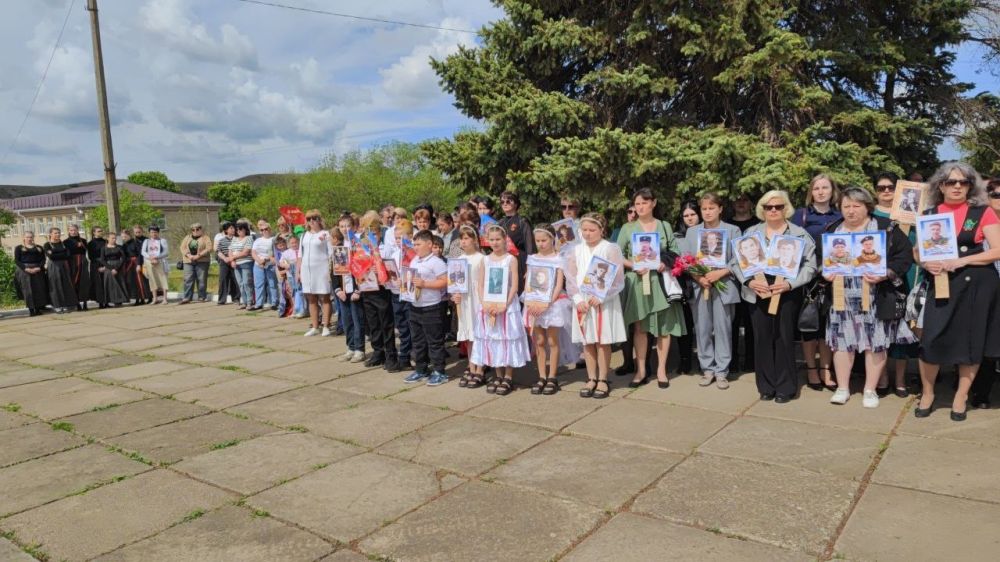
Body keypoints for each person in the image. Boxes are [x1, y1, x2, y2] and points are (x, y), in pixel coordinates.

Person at [914, 162, 1000, 422]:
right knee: (931, 339)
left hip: (977, 283)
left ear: (970, 186)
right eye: (951, 182)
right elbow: (918, 250)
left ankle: (961, 397)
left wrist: (961, 261)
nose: (957, 187)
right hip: (941, 281)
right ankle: (927, 393)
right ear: (940, 186)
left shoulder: (981, 212)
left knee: (971, 342)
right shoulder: (929, 213)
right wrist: (923, 261)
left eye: (963, 182)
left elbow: (997, 250)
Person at [822, 187, 915, 408]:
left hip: (876, 295)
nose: (851, 211)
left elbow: (905, 256)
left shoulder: (886, 229)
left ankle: (870, 390)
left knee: (876, 343)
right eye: (846, 206)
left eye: (856, 206)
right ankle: (842, 388)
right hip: (841, 297)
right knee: (842, 342)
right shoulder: (833, 229)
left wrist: (886, 273)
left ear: (867, 207)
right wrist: (824, 271)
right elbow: (822, 258)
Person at [730, 190, 817, 403]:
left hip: (786, 293)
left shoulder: (799, 233)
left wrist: (790, 284)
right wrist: (749, 282)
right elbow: (735, 262)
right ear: (762, 209)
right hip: (757, 291)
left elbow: (811, 266)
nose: (774, 211)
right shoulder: (751, 232)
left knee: (784, 338)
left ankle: (786, 387)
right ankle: (766, 386)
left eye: (778, 206)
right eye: (769, 207)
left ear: (786, 208)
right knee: (762, 339)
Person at [617, 188, 685, 389]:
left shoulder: (664, 226)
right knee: (640, 328)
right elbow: (617, 255)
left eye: (644, 203)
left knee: (664, 327)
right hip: (638, 283)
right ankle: (641, 370)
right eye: (637, 204)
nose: (640, 207)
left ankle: (661, 370)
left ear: (653, 203)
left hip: (660, 282)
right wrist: (633, 265)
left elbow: (675, 251)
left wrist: (665, 262)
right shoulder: (627, 228)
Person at [683, 193, 742, 389]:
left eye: (711, 208)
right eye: (704, 209)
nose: (707, 212)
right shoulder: (693, 232)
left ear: (720, 209)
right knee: (702, 329)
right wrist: (698, 277)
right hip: (701, 286)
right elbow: (686, 259)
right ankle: (707, 368)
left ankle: (722, 371)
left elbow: (739, 259)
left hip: (724, 286)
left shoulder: (732, 231)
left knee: (723, 328)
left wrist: (720, 273)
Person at [791, 174, 842, 390]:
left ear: (832, 191)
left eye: (825, 187)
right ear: (811, 192)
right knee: (809, 325)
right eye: (816, 188)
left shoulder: (841, 216)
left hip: (835, 278)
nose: (820, 191)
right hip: (808, 279)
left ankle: (826, 369)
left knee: (829, 327)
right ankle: (812, 369)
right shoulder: (800, 216)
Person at [568, 213, 627, 399]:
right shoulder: (576, 250)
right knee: (588, 341)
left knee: (602, 341)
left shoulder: (610, 249)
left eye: (592, 230)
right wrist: (577, 299)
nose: (587, 233)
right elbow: (571, 278)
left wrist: (602, 296)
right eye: (584, 230)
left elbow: (618, 280)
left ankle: (603, 378)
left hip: (602, 301)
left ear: (602, 230)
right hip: (583, 302)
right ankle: (591, 377)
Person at [873, 172, 918, 397]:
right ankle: (882, 376)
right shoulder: (870, 216)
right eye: (881, 188)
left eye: (891, 187)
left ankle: (900, 378)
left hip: (905, 275)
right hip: (876, 280)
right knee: (878, 328)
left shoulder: (912, 214)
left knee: (902, 327)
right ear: (875, 191)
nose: (887, 191)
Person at [474, 224, 530, 395]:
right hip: (489, 305)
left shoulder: (510, 259)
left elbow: (514, 284)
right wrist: (484, 303)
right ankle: (498, 374)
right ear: (487, 241)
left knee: (507, 338)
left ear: (504, 239)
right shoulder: (485, 259)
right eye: (492, 239)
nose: (495, 242)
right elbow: (481, 283)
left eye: (498, 239)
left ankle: (508, 376)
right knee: (493, 338)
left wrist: (505, 303)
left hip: (506, 305)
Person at [524, 224, 577, 395]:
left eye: (544, 240)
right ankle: (541, 376)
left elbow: (558, 284)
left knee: (552, 341)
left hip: (552, 304)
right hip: (535, 303)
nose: (541, 244)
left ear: (552, 239)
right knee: (538, 341)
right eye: (537, 241)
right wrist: (530, 301)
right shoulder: (532, 258)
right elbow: (529, 283)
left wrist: (547, 303)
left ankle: (552, 376)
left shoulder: (558, 259)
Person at [400, 230, 450, 386]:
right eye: (414, 244)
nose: (415, 247)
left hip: (431, 307)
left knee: (434, 341)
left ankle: (439, 371)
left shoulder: (437, 262)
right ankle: (421, 369)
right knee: (418, 341)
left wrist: (425, 284)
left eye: (418, 244)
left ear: (429, 244)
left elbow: (445, 281)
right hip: (415, 306)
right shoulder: (415, 260)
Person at [970, 177, 1000, 408]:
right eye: (996, 195)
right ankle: (981, 392)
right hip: (984, 289)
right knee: (986, 342)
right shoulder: (978, 224)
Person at [358, 211, 397, 368]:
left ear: (379, 232)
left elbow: (391, 267)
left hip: (382, 289)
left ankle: (391, 354)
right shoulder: (362, 247)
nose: (372, 236)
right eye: (369, 232)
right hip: (368, 289)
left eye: (374, 232)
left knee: (386, 323)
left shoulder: (385, 247)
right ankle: (377, 351)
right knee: (373, 323)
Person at [728, 192, 760, 372]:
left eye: (745, 200)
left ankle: (751, 361)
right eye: (737, 200)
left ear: (751, 204)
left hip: (753, 280)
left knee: (751, 322)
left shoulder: (758, 224)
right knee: (731, 322)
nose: (740, 203)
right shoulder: (726, 224)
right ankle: (731, 362)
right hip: (731, 279)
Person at [452, 226, 487, 387]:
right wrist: (455, 294)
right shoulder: (459, 259)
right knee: (468, 335)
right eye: (462, 238)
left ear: (474, 239)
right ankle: (471, 367)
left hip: (477, 299)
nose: (463, 242)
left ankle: (480, 369)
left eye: (466, 238)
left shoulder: (481, 259)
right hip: (464, 300)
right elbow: (454, 281)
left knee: (479, 334)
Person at [299, 210, 335, 336]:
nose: (312, 221)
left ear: (319, 219)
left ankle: (326, 325)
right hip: (307, 269)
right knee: (311, 298)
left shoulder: (325, 234)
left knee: (324, 297)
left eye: (314, 218)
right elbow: (300, 254)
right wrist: (298, 271)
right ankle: (315, 326)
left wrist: (330, 271)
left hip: (321, 268)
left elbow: (331, 253)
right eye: (309, 219)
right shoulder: (304, 235)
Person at [332, 226, 366, 362]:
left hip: (355, 291)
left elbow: (363, 268)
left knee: (358, 321)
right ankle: (350, 348)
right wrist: (337, 289)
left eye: (348, 226)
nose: (345, 229)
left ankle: (359, 349)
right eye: (342, 226)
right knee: (347, 321)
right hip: (343, 291)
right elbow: (334, 270)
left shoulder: (358, 245)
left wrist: (358, 289)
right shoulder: (339, 247)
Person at [497, 191, 534, 292]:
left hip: (519, 260)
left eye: (508, 201)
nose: (505, 204)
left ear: (516, 204)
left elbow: (530, 247)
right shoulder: (499, 223)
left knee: (518, 290)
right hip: (503, 261)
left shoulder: (522, 221)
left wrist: (529, 267)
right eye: (502, 202)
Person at [43, 227, 77, 313]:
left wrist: (55, 253)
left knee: (66, 284)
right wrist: (61, 254)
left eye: (59, 233)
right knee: (55, 285)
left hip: (64, 266)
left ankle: (66, 304)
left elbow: (68, 255)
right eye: (55, 233)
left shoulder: (63, 244)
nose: (58, 234)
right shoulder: (47, 245)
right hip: (53, 266)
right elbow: (51, 257)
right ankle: (57, 305)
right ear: (50, 234)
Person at [14, 231, 48, 316]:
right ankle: (31, 310)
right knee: (28, 290)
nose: (29, 239)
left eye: (31, 237)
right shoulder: (19, 248)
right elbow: (17, 261)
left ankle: (38, 309)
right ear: (24, 237)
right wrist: (26, 269)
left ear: (33, 238)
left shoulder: (39, 248)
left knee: (38, 289)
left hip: (37, 270)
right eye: (27, 237)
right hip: (24, 271)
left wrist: (39, 267)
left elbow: (43, 259)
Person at [179, 223, 213, 304]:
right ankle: (187, 298)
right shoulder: (187, 237)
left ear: (201, 229)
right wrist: (188, 255)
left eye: (197, 229)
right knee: (188, 279)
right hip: (188, 261)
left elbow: (209, 248)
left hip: (202, 261)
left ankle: (202, 297)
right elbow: (182, 247)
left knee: (201, 280)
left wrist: (199, 255)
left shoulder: (205, 237)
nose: (195, 231)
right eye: (193, 229)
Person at [97, 231, 130, 307]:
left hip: (118, 266)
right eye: (112, 238)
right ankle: (110, 300)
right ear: (108, 238)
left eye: (115, 238)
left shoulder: (119, 247)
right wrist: (111, 268)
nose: (114, 240)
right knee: (111, 284)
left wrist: (116, 268)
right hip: (108, 267)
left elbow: (123, 258)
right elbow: (102, 260)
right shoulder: (103, 248)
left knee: (119, 283)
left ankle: (119, 300)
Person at [251, 222, 278, 310]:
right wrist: (259, 261)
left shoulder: (273, 240)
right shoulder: (257, 240)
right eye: (262, 230)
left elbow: (275, 253)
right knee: (259, 284)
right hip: (258, 265)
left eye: (266, 229)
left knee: (272, 284)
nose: (264, 231)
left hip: (270, 264)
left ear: (270, 230)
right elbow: (253, 252)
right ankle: (259, 303)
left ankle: (274, 302)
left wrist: (266, 260)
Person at [63, 224, 90, 311]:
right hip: (72, 262)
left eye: (75, 230)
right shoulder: (66, 242)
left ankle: (85, 303)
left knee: (84, 282)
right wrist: (75, 246)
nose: (73, 232)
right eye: (71, 230)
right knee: (74, 282)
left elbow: (86, 249)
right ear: (68, 231)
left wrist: (81, 245)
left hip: (82, 261)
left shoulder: (83, 240)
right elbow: (67, 252)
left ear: (78, 230)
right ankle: (77, 303)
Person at [140, 226, 170, 305]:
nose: (154, 234)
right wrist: (150, 257)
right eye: (152, 232)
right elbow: (143, 251)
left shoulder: (162, 241)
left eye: (155, 232)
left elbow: (166, 252)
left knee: (163, 279)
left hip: (160, 261)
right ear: (149, 233)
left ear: (158, 232)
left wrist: (157, 257)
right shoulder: (146, 241)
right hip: (149, 262)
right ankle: (155, 298)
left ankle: (165, 299)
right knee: (152, 280)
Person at [121, 228, 150, 305]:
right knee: (133, 282)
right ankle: (137, 299)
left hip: (137, 263)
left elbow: (139, 254)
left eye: (125, 237)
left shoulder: (135, 243)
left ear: (129, 235)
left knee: (141, 281)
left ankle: (144, 298)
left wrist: (138, 264)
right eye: (122, 237)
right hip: (129, 265)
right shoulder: (124, 245)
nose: (123, 238)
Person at [230, 223, 255, 310]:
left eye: (241, 229)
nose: (239, 231)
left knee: (247, 283)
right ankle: (244, 302)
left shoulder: (249, 238)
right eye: (237, 229)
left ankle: (249, 302)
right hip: (236, 264)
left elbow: (246, 252)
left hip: (246, 263)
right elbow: (230, 250)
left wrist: (233, 257)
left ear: (245, 230)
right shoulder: (234, 239)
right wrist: (232, 260)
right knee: (240, 284)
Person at [215, 222, 241, 305]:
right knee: (223, 280)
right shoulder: (222, 240)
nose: (233, 230)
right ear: (226, 230)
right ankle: (222, 299)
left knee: (235, 279)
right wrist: (225, 258)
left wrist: (232, 258)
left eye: (233, 228)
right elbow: (218, 251)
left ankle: (236, 298)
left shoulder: (237, 239)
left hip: (234, 260)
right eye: (231, 228)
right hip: (224, 261)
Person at [86, 227, 107, 308]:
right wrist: (99, 264)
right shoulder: (91, 243)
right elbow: (91, 256)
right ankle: (100, 302)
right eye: (98, 231)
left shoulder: (105, 241)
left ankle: (107, 301)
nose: (100, 232)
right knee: (98, 284)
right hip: (95, 265)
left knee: (105, 282)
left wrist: (105, 264)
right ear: (94, 233)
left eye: (101, 231)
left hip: (105, 264)